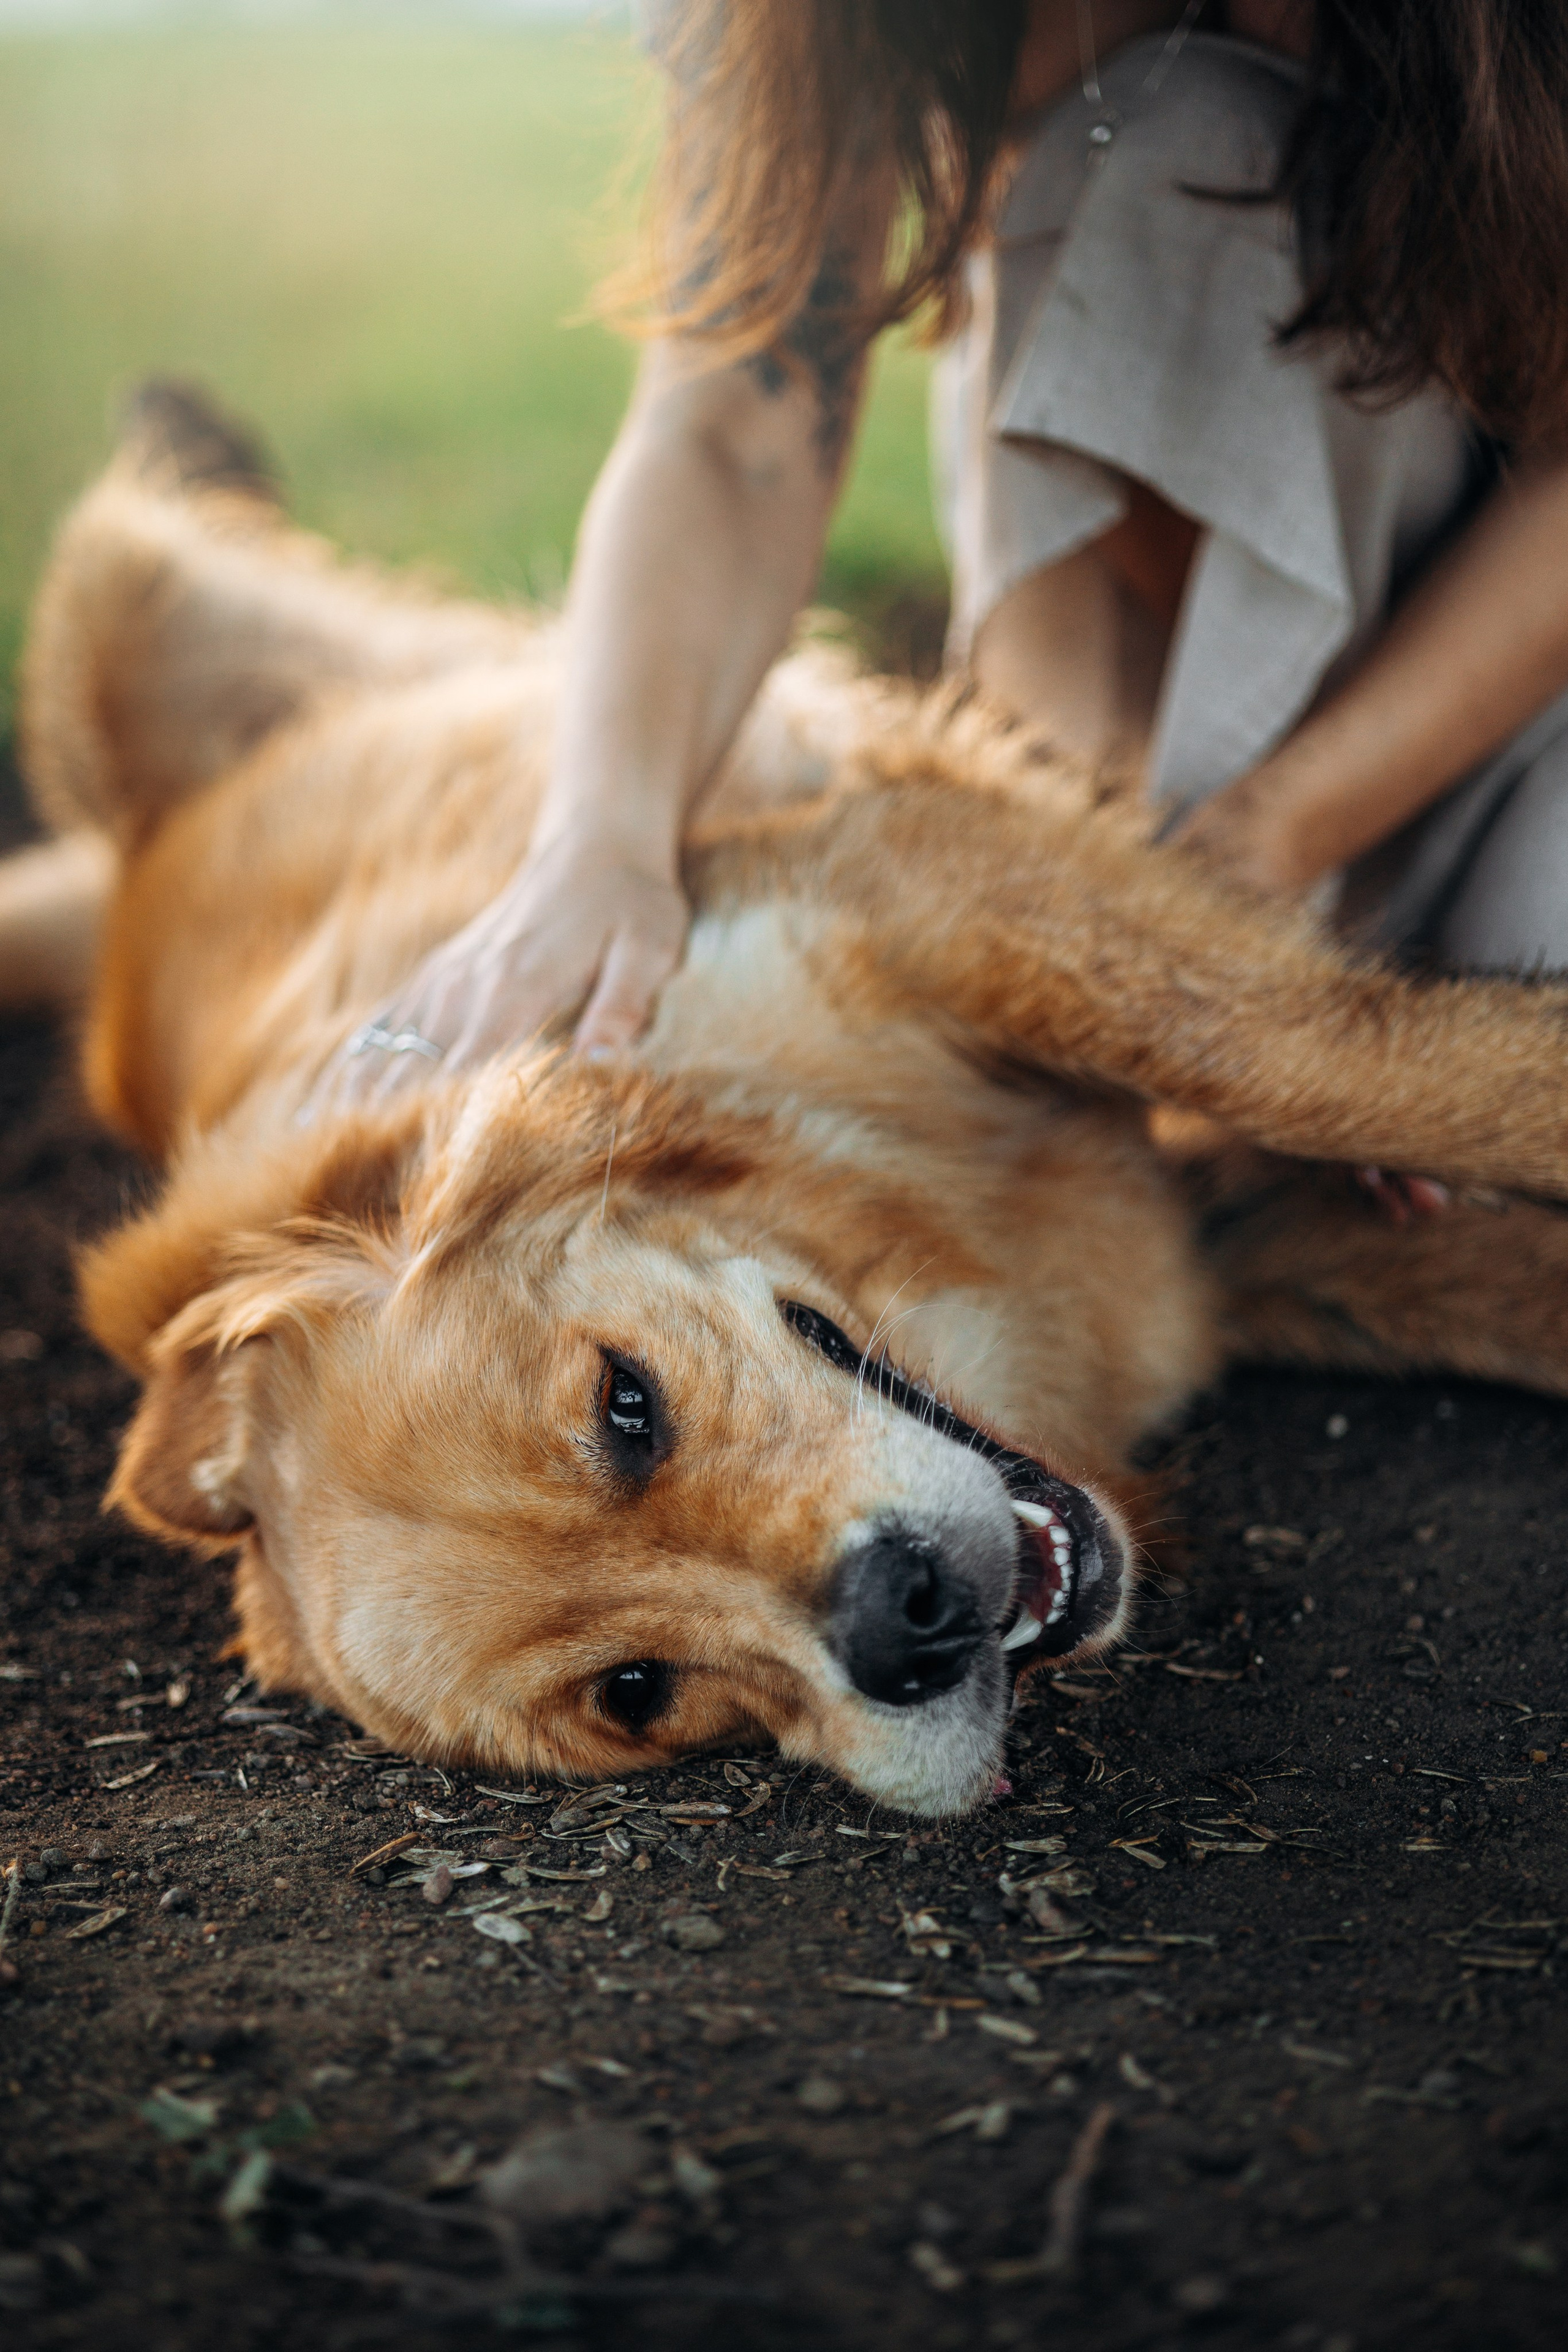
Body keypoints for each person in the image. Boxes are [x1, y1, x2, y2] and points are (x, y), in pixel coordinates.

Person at [338, 0, 1568, 1098]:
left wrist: (1272, 852)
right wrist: (600, 841)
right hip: (1165, 682)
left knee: (1530, 1005)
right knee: (1155, 144)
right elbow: (730, 424)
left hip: (1520, 640)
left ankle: (1263, 943)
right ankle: (1130, 917)